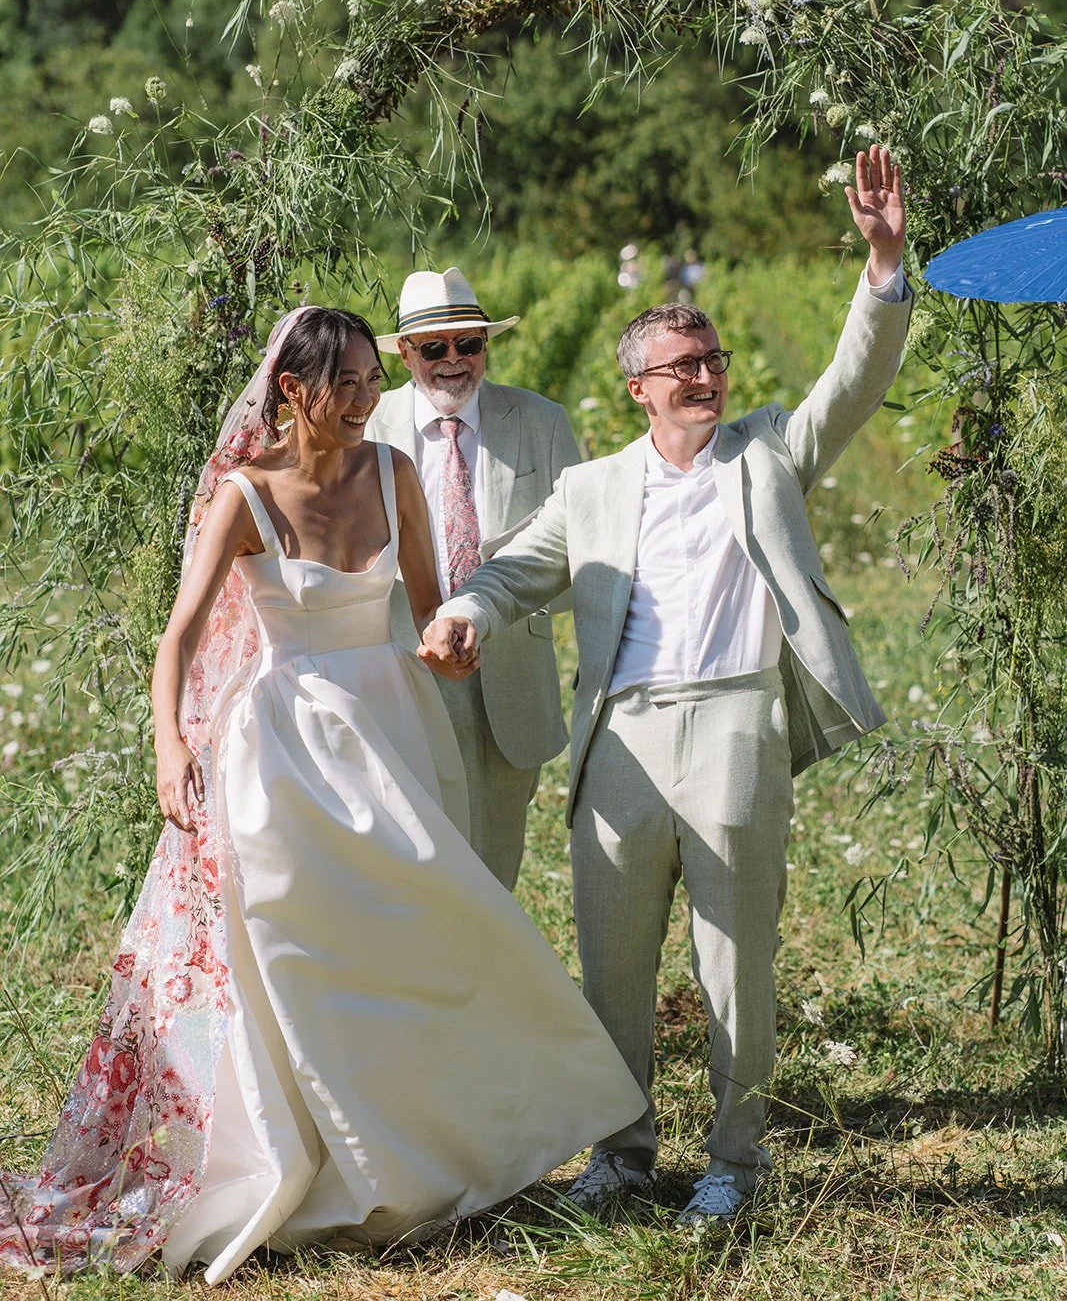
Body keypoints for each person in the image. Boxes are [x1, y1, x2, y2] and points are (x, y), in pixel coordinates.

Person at [0, 307, 642, 1283]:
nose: (365, 396)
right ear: (292, 389)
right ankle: (323, 1168)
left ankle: (445, 1151)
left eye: (371, 378)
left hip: (390, 730)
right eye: (345, 380)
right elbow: (177, 638)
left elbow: (429, 616)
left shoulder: (394, 475)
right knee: (304, 953)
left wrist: (453, 645)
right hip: (282, 744)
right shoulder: (244, 495)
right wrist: (169, 744)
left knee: (421, 930)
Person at [420, 148, 913, 1227]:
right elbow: (514, 569)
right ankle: (622, 1153)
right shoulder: (591, 487)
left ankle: (734, 1160)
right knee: (612, 962)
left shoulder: (767, 453)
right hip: (623, 742)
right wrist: (465, 608)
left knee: (736, 956)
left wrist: (880, 264)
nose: (705, 376)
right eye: (681, 365)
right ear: (634, 388)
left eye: (713, 359)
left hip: (736, 716)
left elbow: (852, 383)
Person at [366, 267, 581, 890]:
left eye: (470, 343)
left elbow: (578, 549)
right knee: (408, 871)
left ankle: (487, 988)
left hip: (506, 672)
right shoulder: (367, 424)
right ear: (406, 354)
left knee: (494, 874)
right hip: (399, 672)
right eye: (434, 347)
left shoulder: (541, 421)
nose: (453, 360)